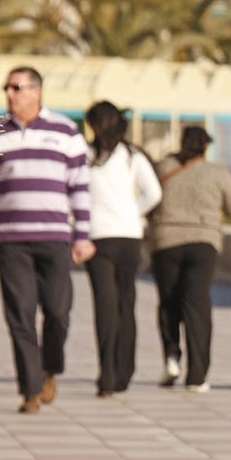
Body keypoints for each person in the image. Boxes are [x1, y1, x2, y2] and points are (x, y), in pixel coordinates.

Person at [0, 66, 93, 413]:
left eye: (17, 87)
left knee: (58, 311)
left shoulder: (65, 131)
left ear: (37, 91)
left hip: (55, 238)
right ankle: (30, 390)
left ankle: (51, 367)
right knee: (20, 314)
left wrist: (83, 235)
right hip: (10, 240)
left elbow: (80, 187)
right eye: (7, 88)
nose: (10, 94)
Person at [148, 127, 231, 392]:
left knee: (168, 301)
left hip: (166, 241)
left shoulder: (163, 168)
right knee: (197, 304)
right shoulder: (217, 173)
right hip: (203, 243)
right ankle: (197, 375)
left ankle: (171, 358)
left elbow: (148, 199)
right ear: (205, 147)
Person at [84, 100, 162, 398]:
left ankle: (106, 374)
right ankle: (124, 371)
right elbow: (154, 193)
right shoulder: (133, 156)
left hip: (96, 237)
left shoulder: (85, 155)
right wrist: (132, 212)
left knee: (104, 305)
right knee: (126, 303)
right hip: (129, 236)